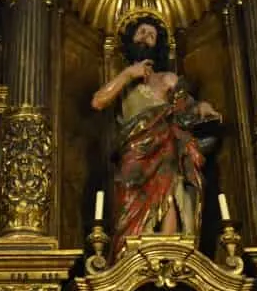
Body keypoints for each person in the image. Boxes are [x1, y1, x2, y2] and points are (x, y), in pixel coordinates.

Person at [91, 16, 222, 257]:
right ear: (131, 40)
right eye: (141, 32)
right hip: (133, 152)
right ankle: (129, 255)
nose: (146, 38)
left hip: (166, 145)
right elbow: (98, 101)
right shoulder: (122, 80)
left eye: (151, 35)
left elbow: (187, 107)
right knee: (129, 203)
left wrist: (201, 105)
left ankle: (169, 247)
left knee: (172, 186)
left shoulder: (167, 79)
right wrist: (129, 74)